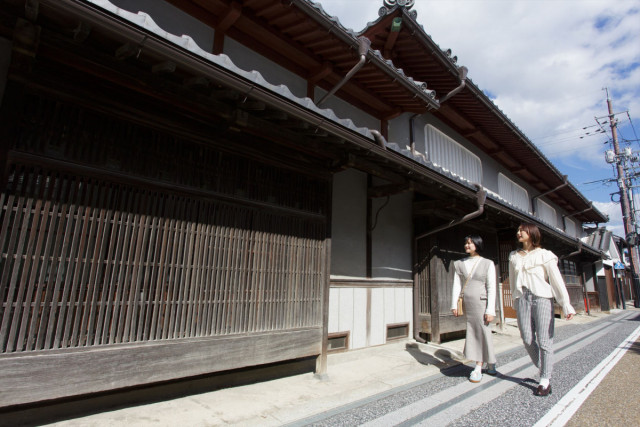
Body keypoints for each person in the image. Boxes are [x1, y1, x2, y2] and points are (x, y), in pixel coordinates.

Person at [508, 222, 575, 397]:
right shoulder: (514, 256)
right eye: (518, 230)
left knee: (545, 340)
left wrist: (565, 304)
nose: (518, 232)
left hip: (542, 298)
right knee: (527, 339)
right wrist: (515, 300)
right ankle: (546, 366)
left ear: (532, 233)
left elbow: (556, 280)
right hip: (522, 298)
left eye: (522, 230)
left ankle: (545, 379)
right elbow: (513, 280)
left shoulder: (545, 255)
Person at [451, 235, 497, 383]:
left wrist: (491, 310)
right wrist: (454, 304)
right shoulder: (459, 263)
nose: (467, 245)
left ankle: (478, 367)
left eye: (470, 243)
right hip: (468, 303)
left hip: (482, 303)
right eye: (466, 243)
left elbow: (491, 287)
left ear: (477, 245)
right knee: (478, 332)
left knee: (481, 331)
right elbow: (456, 285)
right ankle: (490, 362)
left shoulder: (487, 263)